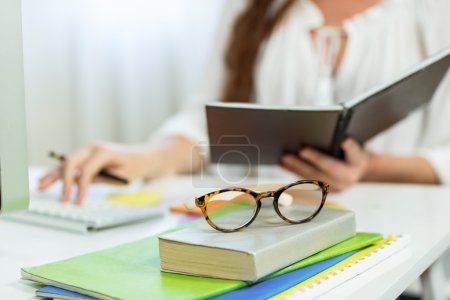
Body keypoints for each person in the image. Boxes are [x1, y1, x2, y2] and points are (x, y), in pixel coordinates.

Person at [39, 0, 450, 204]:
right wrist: (146, 157)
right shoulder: (254, 9)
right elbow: (207, 126)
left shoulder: (432, 13)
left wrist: (371, 168)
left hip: (396, 241)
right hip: (264, 227)